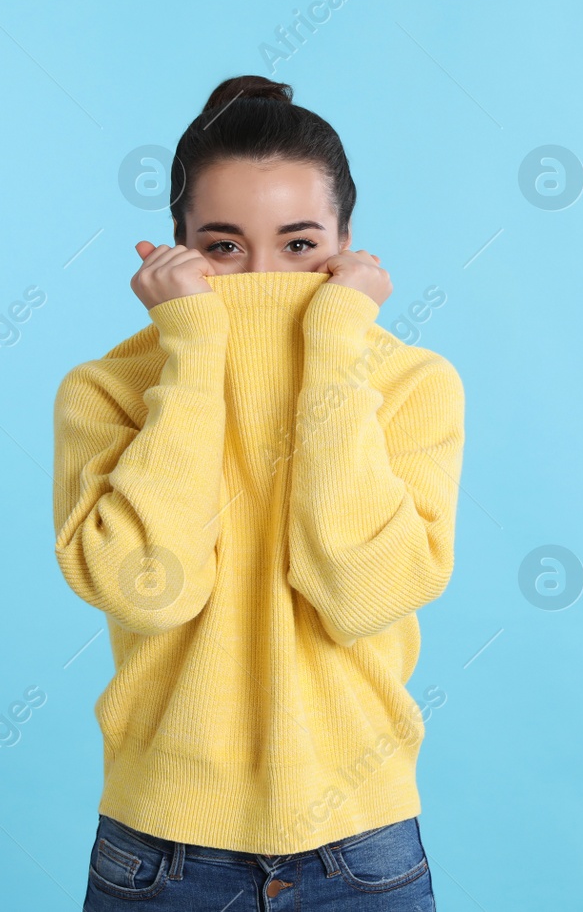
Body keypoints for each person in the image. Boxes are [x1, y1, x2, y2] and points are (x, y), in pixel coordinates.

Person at [52, 74, 465, 909]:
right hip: (161, 850)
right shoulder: (107, 390)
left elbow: (360, 588)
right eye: (226, 246)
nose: (265, 274)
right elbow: (148, 588)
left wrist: (335, 342)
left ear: (350, 244)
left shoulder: (412, 384)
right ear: (173, 250)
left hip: (361, 846)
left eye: (300, 245)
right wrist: (196, 353)